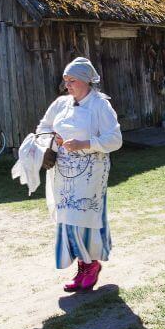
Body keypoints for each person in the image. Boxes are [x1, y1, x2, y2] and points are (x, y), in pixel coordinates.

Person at [36, 57, 122, 292]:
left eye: (72, 80)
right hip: (63, 173)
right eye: (65, 81)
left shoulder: (100, 106)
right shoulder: (61, 104)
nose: (68, 85)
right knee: (68, 220)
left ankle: (91, 265)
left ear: (86, 81)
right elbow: (43, 126)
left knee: (84, 220)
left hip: (90, 174)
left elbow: (115, 139)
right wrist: (50, 142)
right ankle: (83, 266)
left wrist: (85, 143)